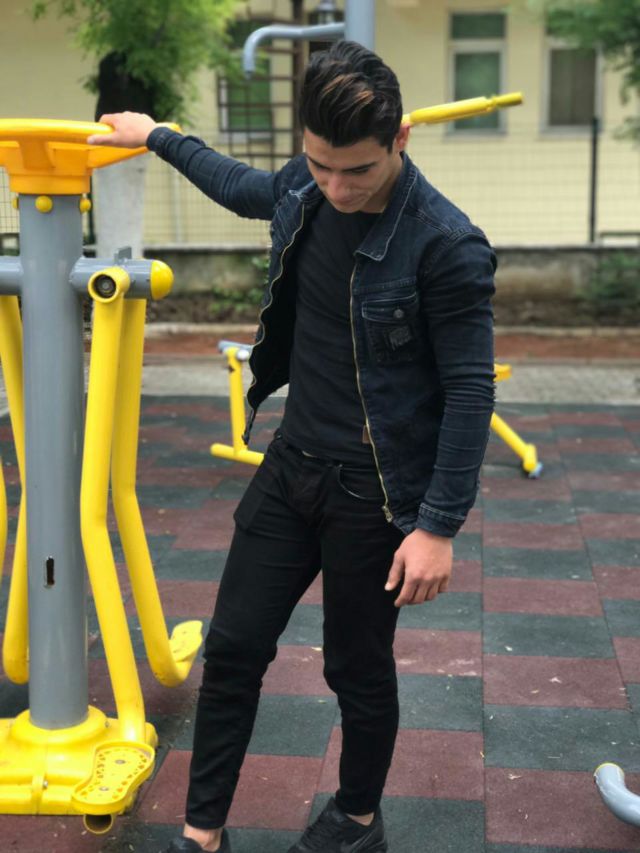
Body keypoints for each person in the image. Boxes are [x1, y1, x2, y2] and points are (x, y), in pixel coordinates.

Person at [89, 40, 496, 853]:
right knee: (233, 648)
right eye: (320, 165)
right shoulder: (306, 186)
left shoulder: (444, 244)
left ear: (400, 139)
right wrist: (156, 135)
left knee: (355, 667)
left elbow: (470, 390)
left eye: (359, 170)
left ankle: (357, 819)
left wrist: (438, 526)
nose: (336, 188)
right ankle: (202, 833)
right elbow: (241, 186)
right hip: (291, 466)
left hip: (373, 493)